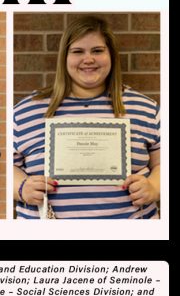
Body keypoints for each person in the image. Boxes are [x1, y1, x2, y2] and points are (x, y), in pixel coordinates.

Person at [13, 16, 160, 219]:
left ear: (112, 55)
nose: (88, 59)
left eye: (97, 51)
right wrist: (21, 188)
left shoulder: (145, 108)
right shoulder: (26, 111)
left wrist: (153, 186)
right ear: (65, 57)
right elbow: (5, 166)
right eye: (77, 51)